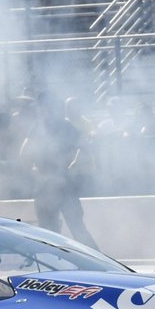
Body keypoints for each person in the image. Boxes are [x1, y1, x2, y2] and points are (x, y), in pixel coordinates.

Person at [20, 96, 99, 248]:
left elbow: (24, 153)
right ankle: (97, 257)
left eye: (41, 108)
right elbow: (85, 147)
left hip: (48, 182)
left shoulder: (40, 127)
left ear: (47, 109)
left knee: (49, 230)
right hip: (62, 181)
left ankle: (53, 259)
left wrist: (33, 170)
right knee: (76, 227)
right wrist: (73, 164)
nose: (39, 111)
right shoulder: (66, 127)